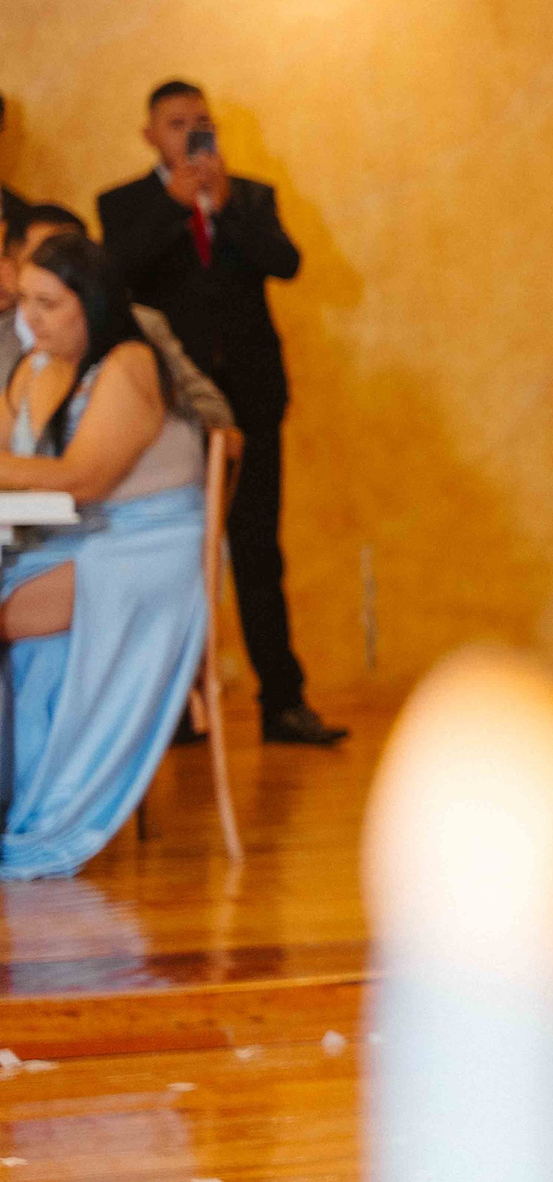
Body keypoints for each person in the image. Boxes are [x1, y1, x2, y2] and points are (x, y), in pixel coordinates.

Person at [97, 81, 335, 746]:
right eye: (176, 123)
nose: (190, 133)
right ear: (150, 135)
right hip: (170, 411)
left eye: (201, 122)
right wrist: (175, 211)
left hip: (253, 402)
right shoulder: (124, 203)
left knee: (258, 552)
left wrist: (223, 207)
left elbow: (286, 262)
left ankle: (283, 702)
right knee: (173, 556)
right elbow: (112, 277)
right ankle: (174, 709)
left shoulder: (250, 195)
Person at [0, 234, 210, 880]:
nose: (30, 319)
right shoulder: (34, 369)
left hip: (149, 548)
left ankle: (45, 811)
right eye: (25, 303)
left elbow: (84, 478)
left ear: (88, 302)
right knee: (33, 638)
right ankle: (32, 797)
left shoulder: (128, 364)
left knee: (8, 618)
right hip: (76, 538)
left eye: (49, 303)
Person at [1, 204, 234, 434]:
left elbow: (213, 410)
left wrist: (146, 422)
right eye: (47, 255)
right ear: (12, 266)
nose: (64, 267)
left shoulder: (136, 325)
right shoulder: (6, 333)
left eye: (77, 255)